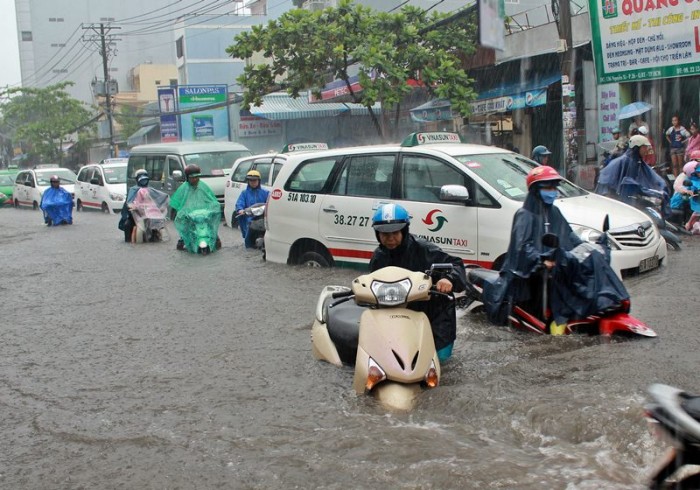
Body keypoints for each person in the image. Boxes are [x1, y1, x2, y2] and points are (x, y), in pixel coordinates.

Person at [483, 166, 629, 335]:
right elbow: (521, 248)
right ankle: (552, 325)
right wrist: (541, 260)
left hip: (556, 266)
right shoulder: (524, 215)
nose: (552, 192)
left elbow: (570, 237)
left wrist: (591, 248)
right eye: (547, 188)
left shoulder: (555, 212)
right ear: (536, 191)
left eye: (554, 188)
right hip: (530, 275)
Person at [369, 203, 467, 362]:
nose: (390, 238)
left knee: (439, 362)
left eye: (395, 232)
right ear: (377, 234)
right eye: (384, 234)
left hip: (435, 314)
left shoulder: (424, 249)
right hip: (398, 314)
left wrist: (448, 278)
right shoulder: (378, 257)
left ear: (404, 230)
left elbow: (456, 265)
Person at [595, 135, 667, 202]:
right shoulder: (628, 161)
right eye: (644, 147)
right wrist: (649, 192)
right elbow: (629, 182)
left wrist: (661, 185)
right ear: (637, 147)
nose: (647, 150)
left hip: (621, 192)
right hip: (608, 191)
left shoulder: (637, 160)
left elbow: (650, 174)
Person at [170, 164, 222, 251]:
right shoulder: (183, 189)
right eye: (192, 177)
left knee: (213, 232)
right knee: (184, 233)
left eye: (197, 177)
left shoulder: (203, 187)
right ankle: (182, 240)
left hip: (203, 216)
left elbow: (212, 200)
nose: (195, 179)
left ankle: (215, 239)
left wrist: (214, 208)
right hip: (189, 217)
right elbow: (176, 203)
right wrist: (181, 213)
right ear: (187, 178)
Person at [234, 170, 270, 249]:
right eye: (251, 180)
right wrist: (240, 210)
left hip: (263, 218)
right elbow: (239, 204)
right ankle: (249, 247)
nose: (253, 182)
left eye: (255, 180)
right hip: (249, 219)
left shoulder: (266, 192)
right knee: (248, 239)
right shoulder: (244, 193)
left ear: (259, 181)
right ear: (248, 181)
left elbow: (270, 203)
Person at [119, 169, 150, 242]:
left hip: (149, 215)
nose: (143, 181)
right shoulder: (133, 190)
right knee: (127, 225)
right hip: (135, 215)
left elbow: (156, 201)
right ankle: (128, 241)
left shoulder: (150, 190)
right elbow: (128, 204)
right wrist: (132, 208)